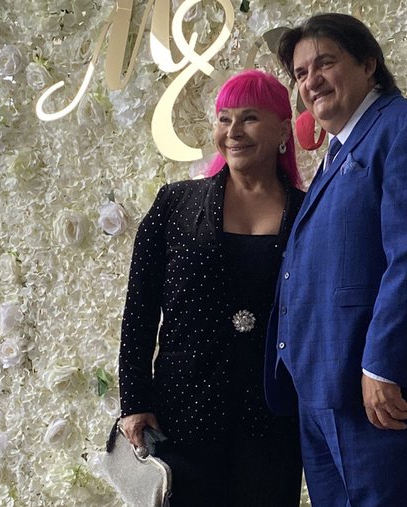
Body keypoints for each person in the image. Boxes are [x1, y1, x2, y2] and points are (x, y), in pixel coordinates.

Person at [265, 13, 407, 506]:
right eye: (300, 73)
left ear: (368, 63)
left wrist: (383, 366)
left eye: (325, 63)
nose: (311, 81)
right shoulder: (333, 157)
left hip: (386, 396)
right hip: (325, 395)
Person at [118, 69, 305, 507]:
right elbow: (139, 310)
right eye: (224, 119)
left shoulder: (309, 212)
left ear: (283, 130)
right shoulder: (174, 204)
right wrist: (134, 400)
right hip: (181, 415)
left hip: (274, 418)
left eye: (249, 117)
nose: (233, 131)